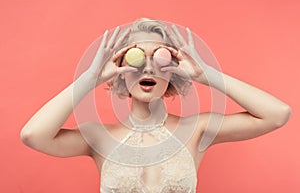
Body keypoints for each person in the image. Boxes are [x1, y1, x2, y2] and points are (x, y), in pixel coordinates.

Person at [21, 18, 291, 193]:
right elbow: (33, 136)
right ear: (120, 69)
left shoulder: (197, 129)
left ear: (172, 71)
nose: (148, 66)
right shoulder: (98, 137)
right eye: (137, 58)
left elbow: (277, 114)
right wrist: (89, 78)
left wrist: (207, 74)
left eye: (159, 58)